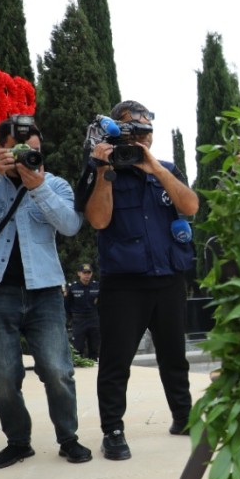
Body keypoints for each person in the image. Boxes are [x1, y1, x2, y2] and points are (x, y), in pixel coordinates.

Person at [82, 100, 199, 460]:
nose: (143, 136)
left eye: (147, 129)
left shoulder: (165, 168)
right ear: (117, 132)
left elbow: (191, 206)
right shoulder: (101, 169)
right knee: (116, 361)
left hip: (167, 278)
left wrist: (155, 169)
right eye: (135, 129)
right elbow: (99, 221)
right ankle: (113, 430)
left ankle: (183, 417)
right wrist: (103, 170)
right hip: (124, 282)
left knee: (174, 356)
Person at [0, 117, 92, 468]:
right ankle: (18, 442)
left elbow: (70, 225)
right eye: (19, 150)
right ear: (1, 149)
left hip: (45, 294)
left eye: (34, 151)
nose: (27, 157)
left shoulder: (54, 184)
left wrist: (37, 186)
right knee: (3, 377)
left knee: (58, 370)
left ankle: (68, 438)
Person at [65, 261, 101, 361]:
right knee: (78, 347)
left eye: (88, 273)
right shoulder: (73, 287)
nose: (87, 275)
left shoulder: (96, 286)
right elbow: (67, 305)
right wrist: (70, 319)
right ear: (79, 273)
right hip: (79, 319)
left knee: (94, 347)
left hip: (93, 319)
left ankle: (93, 368)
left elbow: (101, 304)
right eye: (84, 273)